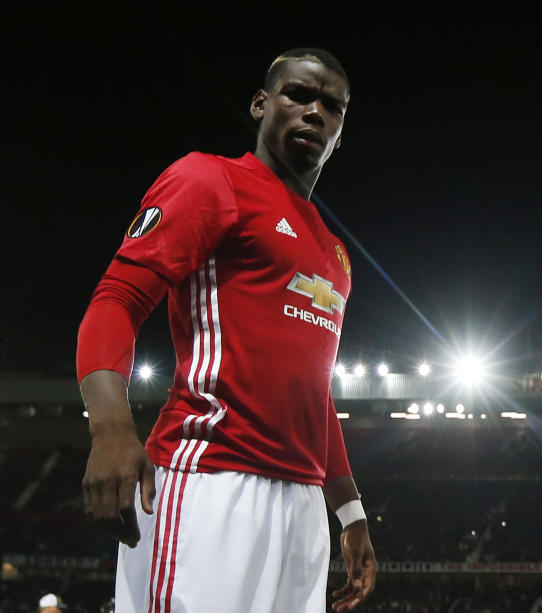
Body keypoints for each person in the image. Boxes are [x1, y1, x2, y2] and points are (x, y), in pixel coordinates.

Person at [76, 48, 376, 612]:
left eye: (331, 106)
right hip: (209, 482)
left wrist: (350, 511)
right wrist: (110, 428)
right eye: (298, 95)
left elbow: (314, 392)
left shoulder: (336, 254)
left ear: (341, 131)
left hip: (302, 508)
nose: (315, 112)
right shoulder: (211, 180)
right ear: (261, 104)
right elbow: (116, 299)